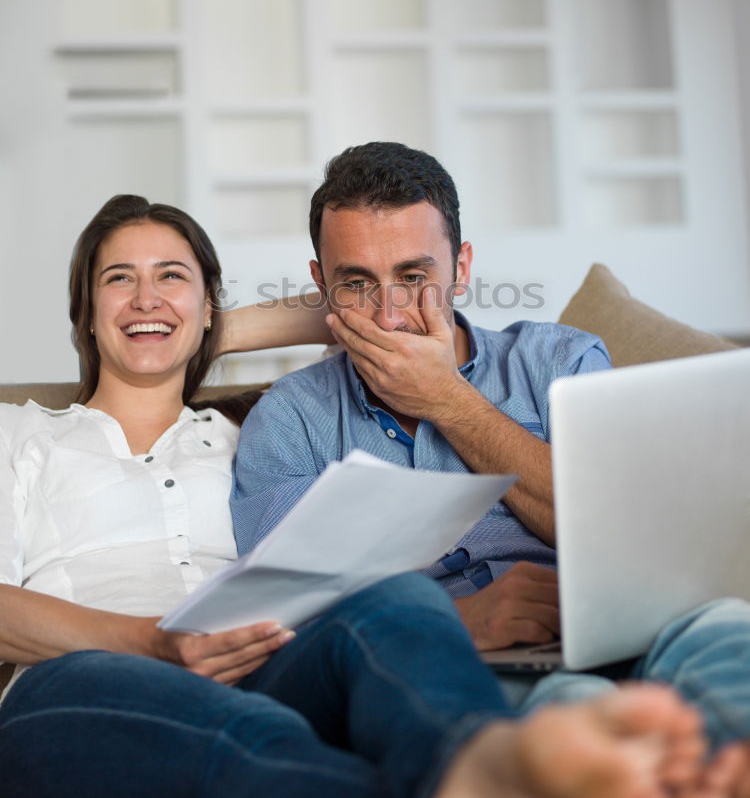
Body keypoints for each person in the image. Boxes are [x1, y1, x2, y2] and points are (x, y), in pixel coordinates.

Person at [4, 193, 738, 798]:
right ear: (84, 307)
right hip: (93, 674)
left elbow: (382, 301)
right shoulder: (21, 435)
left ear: (209, 306)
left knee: (403, 599)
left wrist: (201, 329)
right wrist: (153, 640)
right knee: (232, 731)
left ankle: (476, 762)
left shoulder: (237, 437)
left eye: (172, 276)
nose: (145, 298)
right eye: (118, 280)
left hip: (268, 669)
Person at [231, 141, 750, 753]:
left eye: (414, 277)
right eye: (356, 283)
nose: (389, 316)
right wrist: (454, 622)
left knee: (728, 640)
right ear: (321, 285)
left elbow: (635, 532)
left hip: (631, 629)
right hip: (466, 664)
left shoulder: (558, 359)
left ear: (463, 267)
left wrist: (446, 398)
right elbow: (282, 617)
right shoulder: (290, 417)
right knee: (574, 714)